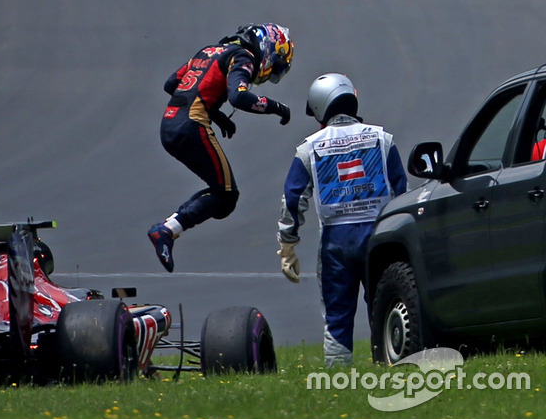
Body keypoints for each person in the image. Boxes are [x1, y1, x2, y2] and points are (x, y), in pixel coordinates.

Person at [276, 73, 407, 366]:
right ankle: (391, 364)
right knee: (386, 305)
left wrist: (287, 245)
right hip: (380, 237)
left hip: (336, 242)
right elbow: (402, 191)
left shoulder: (308, 147)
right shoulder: (382, 139)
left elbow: (293, 200)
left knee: (337, 316)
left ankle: (337, 380)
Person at [148, 23, 294, 273]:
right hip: (191, 126)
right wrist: (277, 107)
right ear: (267, 48)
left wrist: (216, 113)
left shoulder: (207, 51)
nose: (270, 73)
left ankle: (169, 229)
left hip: (169, 125)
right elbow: (239, 97)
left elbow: (171, 84)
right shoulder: (242, 57)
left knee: (222, 193)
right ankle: (166, 230)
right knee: (227, 195)